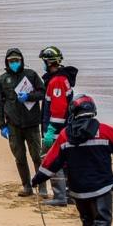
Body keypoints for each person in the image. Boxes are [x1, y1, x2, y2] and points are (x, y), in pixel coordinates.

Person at [32, 95, 113, 226]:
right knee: (103, 221)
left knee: (88, 221)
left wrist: (37, 180)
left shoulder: (64, 135)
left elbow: (51, 162)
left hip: (78, 189)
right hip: (103, 187)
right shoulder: (105, 131)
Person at [0, 48, 46, 197]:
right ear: (7, 62)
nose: (14, 63)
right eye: (11, 61)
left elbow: (43, 92)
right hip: (13, 125)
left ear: (22, 60)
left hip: (32, 124)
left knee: (37, 156)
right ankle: (27, 187)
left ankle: (42, 187)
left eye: (17, 60)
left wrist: (29, 97)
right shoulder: (2, 80)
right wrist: (2, 126)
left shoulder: (31, 75)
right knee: (20, 157)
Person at [39, 46, 78, 206]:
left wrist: (50, 131)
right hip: (65, 129)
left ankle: (60, 196)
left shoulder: (56, 82)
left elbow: (58, 110)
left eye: (43, 61)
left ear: (49, 62)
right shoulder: (63, 78)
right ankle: (70, 195)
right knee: (67, 161)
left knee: (54, 160)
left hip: (57, 131)